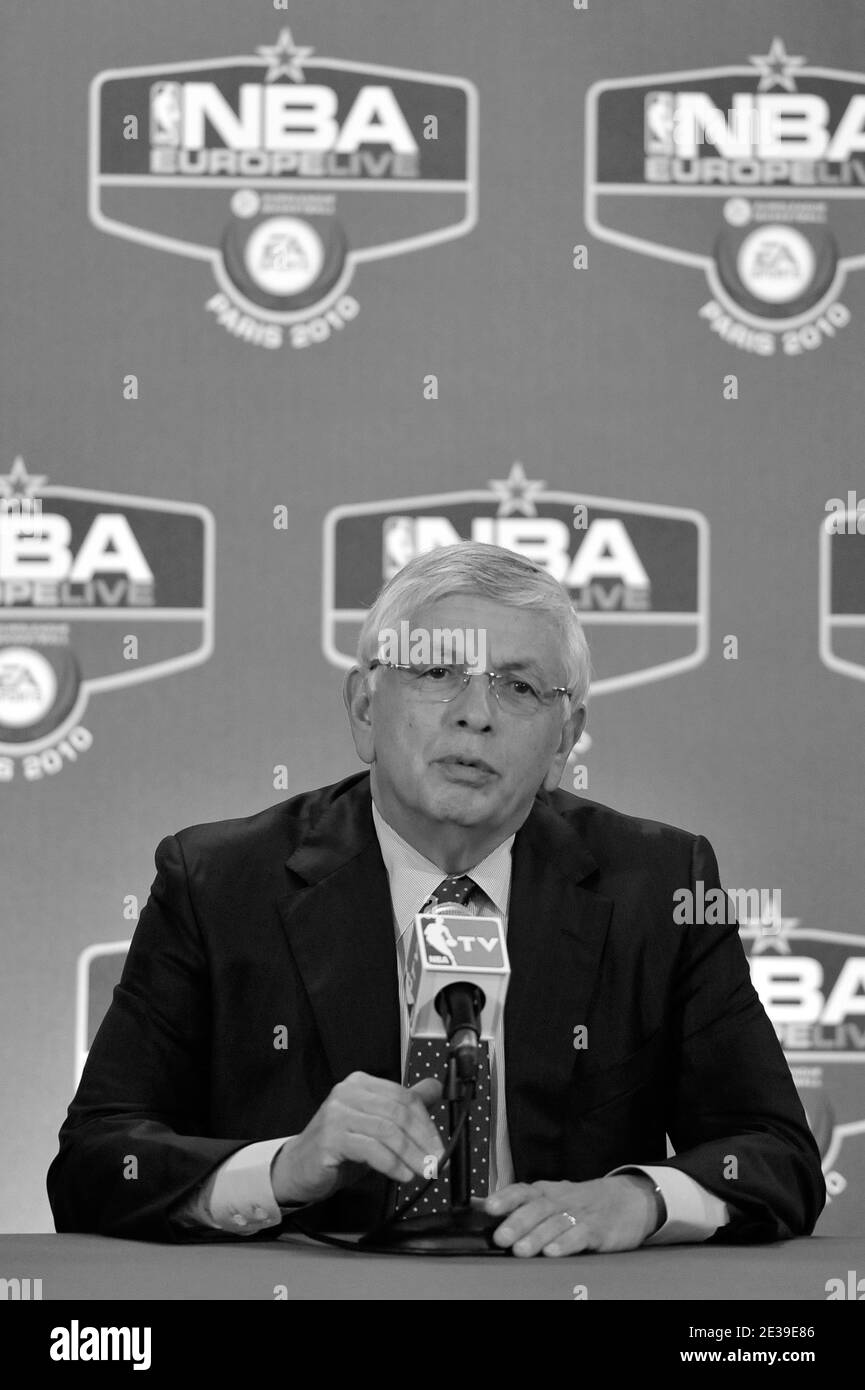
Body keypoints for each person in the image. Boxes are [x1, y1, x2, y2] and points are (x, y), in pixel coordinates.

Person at [47, 542, 825, 1255]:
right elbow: (93, 1163)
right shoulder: (220, 883)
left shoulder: (657, 884)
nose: (475, 713)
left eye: (519, 686)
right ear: (363, 707)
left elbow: (774, 1154)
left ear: (563, 741)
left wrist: (640, 1199)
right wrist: (282, 1171)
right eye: (435, 672)